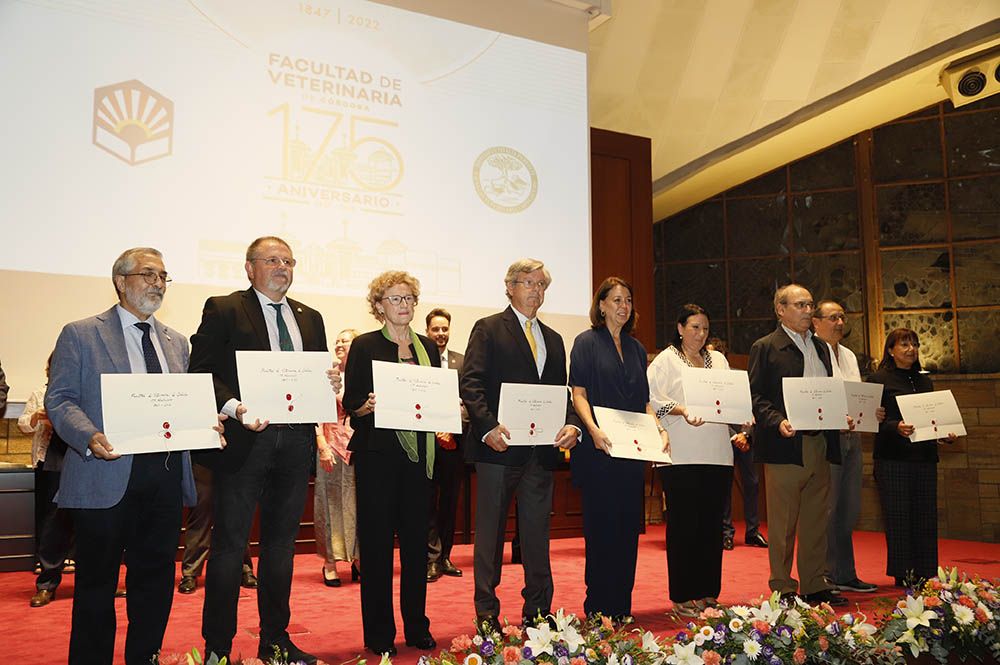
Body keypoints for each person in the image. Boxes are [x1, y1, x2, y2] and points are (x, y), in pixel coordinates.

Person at [44, 247, 215, 664]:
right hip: (104, 473)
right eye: (147, 274)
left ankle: (145, 656)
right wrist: (89, 435)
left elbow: (183, 404)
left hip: (165, 479)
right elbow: (61, 398)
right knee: (96, 586)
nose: (157, 283)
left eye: (163, 276)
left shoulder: (176, 342)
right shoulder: (80, 333)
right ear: (120, 281)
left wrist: (206, 423)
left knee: (155, 583)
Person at [190, 236, 339, 665]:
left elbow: (314, 378)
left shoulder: (310, 318)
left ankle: (275, 640)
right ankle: (218, 648)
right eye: (272, 260)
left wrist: (328, 385)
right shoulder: (224, 308)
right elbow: (201, 372)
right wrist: (236, 408)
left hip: (294, 443)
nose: (282, 268)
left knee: (281, 548)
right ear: (249, 268)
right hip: (244, 443)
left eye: (289, 261)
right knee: (230, 548)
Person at [460, 258, 581, 633]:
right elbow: (471, 383)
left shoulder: (555, 339)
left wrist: (573, 425)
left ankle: (539, 612)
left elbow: (561, 396)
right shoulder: (489, 328)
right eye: (528, 283)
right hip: (498, 449)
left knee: (535, 535)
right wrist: (487, 427)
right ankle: (486, 613)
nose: (536, 290)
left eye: (541, 285)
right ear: (509, 287)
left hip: (540, 453)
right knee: (491, 536)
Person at [342, 271, 439, 657]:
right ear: (379, 305)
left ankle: (417, 626)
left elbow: (434, 398)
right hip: (378, 458)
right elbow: (352, 401)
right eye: (396, 299)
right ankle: (380, 633)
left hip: (419, 460)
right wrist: (365, 406)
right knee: (378, 550)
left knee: (417, 549)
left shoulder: (429, 348)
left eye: (410, 299)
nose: (405, 305)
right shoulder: (364, 346)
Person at [569, 277, 665, 621]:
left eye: (628, 300)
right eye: (616, 300)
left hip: (631, 454)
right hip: (598, 451)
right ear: (602, 305)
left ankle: (622, 607)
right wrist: (591, 429)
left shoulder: (637, 349)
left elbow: (646, 403)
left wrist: (658, 428)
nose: (623, 306)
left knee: (627, 533)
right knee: (601, 533)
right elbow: (578, 393)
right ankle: (597, 608)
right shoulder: (585, 342)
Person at [747, 284, 848, 607]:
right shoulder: (766, 347)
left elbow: (828, 391)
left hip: (821, 441)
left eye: (810, 304)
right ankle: (783, 585)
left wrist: (841, 413)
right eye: (800, 305)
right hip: (785, 444)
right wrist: (777, 420)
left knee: (817, 518)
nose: (807, 311)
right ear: (781, 310)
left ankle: (814, 582)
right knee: (783, 521)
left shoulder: (820, 348)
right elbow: (755, 396)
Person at [648, 304, 747, 617]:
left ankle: (707, 592)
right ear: (680, 328)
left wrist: (742, 419)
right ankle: (682, 595)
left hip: (717, 454)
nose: (700, 334)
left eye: (705, 328)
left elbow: (729, 397)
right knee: (684, 526)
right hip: (681, 455)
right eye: (694, 327)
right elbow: (652, 400)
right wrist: (681, 410)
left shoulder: (717, 359)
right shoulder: (666, 360)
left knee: (710, 527)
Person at [867, 328, 959, 587]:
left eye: (915, 344)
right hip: (893, 458)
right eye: (904, 344)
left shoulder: (923, 380)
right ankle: (903, 574)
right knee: (898, 518)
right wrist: (894, 426)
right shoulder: (878, 379)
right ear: (891, 350)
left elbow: (931, 421)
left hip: (924, 457)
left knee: (926, 517)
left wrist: (944, 434)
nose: (911, 349)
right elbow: (872, 421)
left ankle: (926, 572)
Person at [812, 301, 880, 594]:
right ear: (816, 322)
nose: (840, 322)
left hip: (853, 435)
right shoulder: (812, 351)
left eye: (843, 317)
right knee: (829, 506)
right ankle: (825, 573)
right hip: (829, 436)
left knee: (850, 507)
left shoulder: (849, 354)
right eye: (833, 317)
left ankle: (845, 572)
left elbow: (857, 392)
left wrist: (872, 412)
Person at [20, 355, 75, 608]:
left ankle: (99, 581)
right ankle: (47, 583)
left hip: (86, 459)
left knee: (95, 522)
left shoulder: (87, 388)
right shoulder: (42, 393)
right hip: (52, 461)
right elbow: (24, 424)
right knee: (53, 522)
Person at [710, 337, 767, 551]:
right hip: (721, 436)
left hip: (745, 438)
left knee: (752, 483)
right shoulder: (704, 380)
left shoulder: (738, 377)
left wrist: (745, 434)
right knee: (724, 487)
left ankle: (753, 532)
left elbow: (751, 408)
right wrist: (733, 435)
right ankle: (726, 533)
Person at [315, 328, 361, 588]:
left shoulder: (365, 374)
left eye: (346, 340)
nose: (340, 343)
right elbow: (315, 412)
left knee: (358, 504)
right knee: (329, 505)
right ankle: (330, 564)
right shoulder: (326, 375)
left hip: (358, 447)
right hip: (331, 445)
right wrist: (321, 443)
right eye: (338, 340)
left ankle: (357, 559)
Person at [425, 307, 466, 582]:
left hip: (455, 443)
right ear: (427, 331)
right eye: (435, 329)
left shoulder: (462, 361)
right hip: (427, 443)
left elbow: (472, 396)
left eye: (444, 329)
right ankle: (430, 559)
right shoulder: (418, 359)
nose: (440, 334)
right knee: (428, 502)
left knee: (450, 501)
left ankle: (446, 556)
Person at [177, 465, 257, 594]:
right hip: (203, 453)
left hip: (236, 456)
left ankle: (244, 567)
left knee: (237, 512)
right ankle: (190, 572)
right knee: (200, 512)